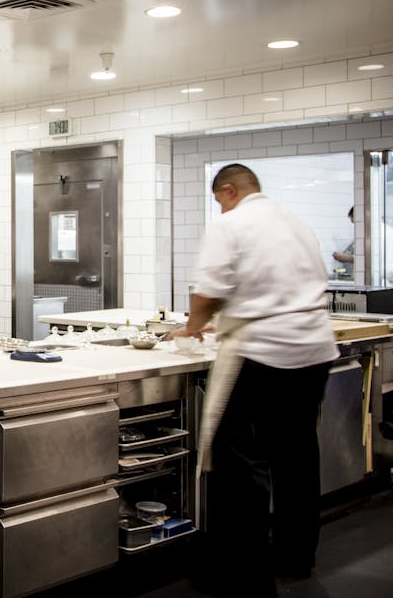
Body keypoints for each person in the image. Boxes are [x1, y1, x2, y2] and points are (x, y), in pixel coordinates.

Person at [168, 164, 338, 597]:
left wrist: (192, 326)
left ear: (228, 191)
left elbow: (207, 291)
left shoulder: (232, 223)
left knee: (239, 466)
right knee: (297, 455)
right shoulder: (297, 224)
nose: (219, 206)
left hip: (263, 353)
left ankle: (242, 577)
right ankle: (296, 557)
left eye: (219, 199)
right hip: (314, 351)